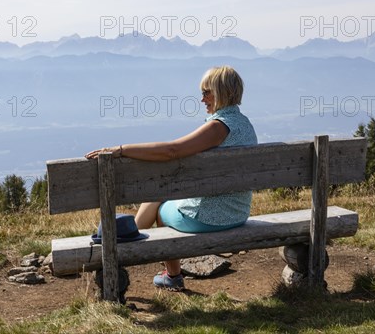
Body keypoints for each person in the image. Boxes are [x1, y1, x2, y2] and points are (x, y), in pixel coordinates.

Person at [85, 65, 257, 291]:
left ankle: (139, 260)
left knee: (156, 201)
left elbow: (172, 151)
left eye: (207, 92)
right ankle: (132, 246)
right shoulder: (244, 124)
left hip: (212, 216)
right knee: (161, 198)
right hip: (238, 212)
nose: (202, 99)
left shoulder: (218, 127)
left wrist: (122, 149)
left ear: (221, 92)